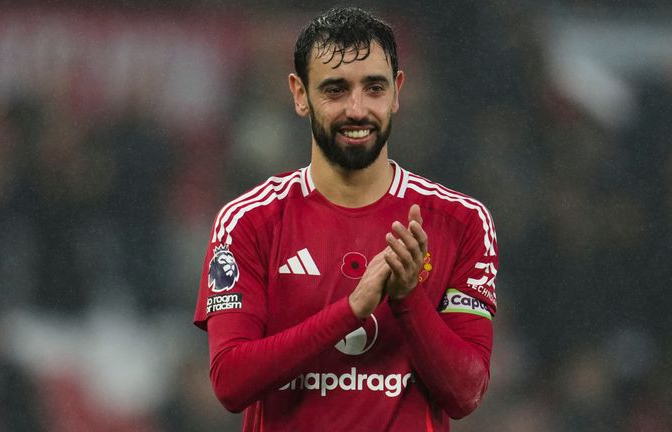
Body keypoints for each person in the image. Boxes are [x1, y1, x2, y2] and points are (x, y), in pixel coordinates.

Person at [193, 7, 499, 431]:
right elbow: (230, 382)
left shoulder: (461, 222)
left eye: (373, 88)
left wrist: (409, 298)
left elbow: (466, 393)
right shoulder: (248, 221)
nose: (357, 109)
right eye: (335, 90)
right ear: (300, 95)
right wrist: (352, 309)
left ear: (397, 91)